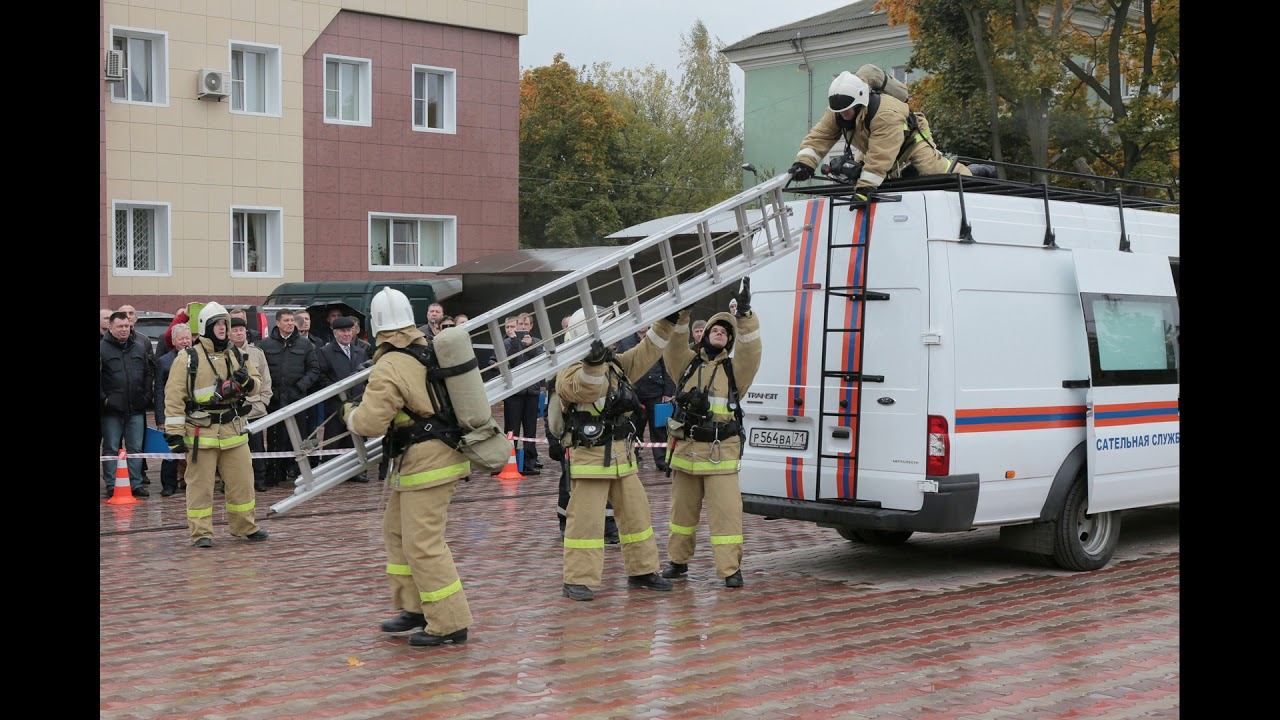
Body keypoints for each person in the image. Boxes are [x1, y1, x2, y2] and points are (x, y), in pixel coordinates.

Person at [346, 288, 472, 647]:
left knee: (423, 543)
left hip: (427, 463)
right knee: (397, 533)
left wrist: (349, 414)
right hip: (419, 460)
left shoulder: (390, 364)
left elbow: (369, 423)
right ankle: (415, 607)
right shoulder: (422, 349)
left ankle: (449, 622)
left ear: (375, 324)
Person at [555, 307, 677, 601]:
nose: (612, 337)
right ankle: (578, 579)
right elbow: (585, 389)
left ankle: (642, 570)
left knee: (637, 516)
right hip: (591, 460)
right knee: (586, 522)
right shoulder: (568, 368)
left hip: (622, 458)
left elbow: (647, 351)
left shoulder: (615, 365)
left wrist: (668, 320)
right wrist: (594, 363)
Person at [660, 278, 761, 588]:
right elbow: (674, 344)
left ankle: (730, 570)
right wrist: (682, 314)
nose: (720, 333)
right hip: (686, 453)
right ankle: (677, 563)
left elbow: (752, 348)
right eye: (716, 329)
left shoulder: (735, 371)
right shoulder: (686, 366)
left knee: (727, 517)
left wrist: (744, 315)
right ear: (704, 336)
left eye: (726, 333)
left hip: (720, 455)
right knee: (681, 517)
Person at [162, 302, 268, 548]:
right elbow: (174, 397)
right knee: (200, 488)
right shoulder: (188, 358)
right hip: (201, 433)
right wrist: (175, 434)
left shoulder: (238, 355)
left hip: (234, 431)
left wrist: (246, 381)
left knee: (243, 484)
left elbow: (257, 386)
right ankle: (201, 533)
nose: (222, 328)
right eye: (217, 324)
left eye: (225, 323)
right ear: (205, 327)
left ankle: (246, 526)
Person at [788, 71, 983, 195]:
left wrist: (865, 188)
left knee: (934, 171)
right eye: (839, 111)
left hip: (911, 141)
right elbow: (820, 137)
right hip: (873, 142)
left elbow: (881, 156)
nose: (844, 114)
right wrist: (804, 163)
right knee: (858, 174)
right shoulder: (839, 110)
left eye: (848, 109)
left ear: (860, 101)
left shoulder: (885, 114)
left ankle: (973, 173)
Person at [101, 311, 153, 498]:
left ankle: (136, 483)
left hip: (136, 409)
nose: (124, 330)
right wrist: (105, 399)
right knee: (111, 448)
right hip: (111, 411)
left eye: (127, 326)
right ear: (111, 327)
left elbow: (148, 373)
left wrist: (146, 395)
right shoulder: (102, 348)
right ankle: (111, 484)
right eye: (120, 326)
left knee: (135, 448)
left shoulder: (139, 347)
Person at [316, 316, 369, 481]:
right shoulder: (325, 352)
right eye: (343, 331)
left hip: (357, 401)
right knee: (333, 436)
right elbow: (321, 376)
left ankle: (357, 470)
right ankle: (331, 471)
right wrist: (337, 390)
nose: (347, 334)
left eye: (349, 330)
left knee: (357, 435)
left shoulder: (360, 351)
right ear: (335, 333)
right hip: (336, 403)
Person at [228, 317, 274, 492]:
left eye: (241, 330)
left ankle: (260, 478)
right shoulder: (224, 354)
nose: (239, 333)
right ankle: (231, 482)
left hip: (255, 410)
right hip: (233, 412)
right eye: (235, 330)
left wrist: (263, 401)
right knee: (233, 450)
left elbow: (266, 380)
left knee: (257, 448)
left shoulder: (257, 353)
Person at [154, 323, 194, 496]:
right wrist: (161, 419)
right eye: (181, 338)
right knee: (170, 449)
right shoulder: (164, 362)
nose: (185, 341)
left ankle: (190, 482)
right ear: (173, 341)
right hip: (172, 412)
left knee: (195, 450)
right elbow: (158, 391)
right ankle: (168, 484)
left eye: (188, 338)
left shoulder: (199, 358)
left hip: (194, 413)